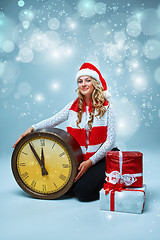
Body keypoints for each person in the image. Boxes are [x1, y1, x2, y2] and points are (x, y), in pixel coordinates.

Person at [13, 62, 118, 201]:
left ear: (95, 83)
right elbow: (52, 120)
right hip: (81, 158)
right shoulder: (72, 107)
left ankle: (114, 179)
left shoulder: (107, 108)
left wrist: (91, 162)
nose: (83, 84)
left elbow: (110, 142)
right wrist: (32, 128)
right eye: (80, 81)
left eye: (88, 80)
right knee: (67, 188)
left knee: (82, 194)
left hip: (102, 157)